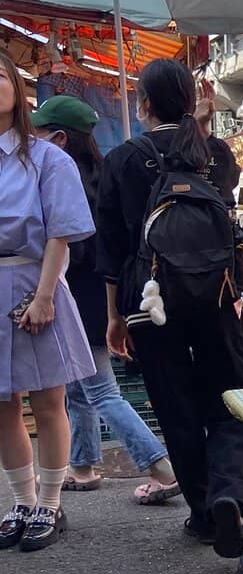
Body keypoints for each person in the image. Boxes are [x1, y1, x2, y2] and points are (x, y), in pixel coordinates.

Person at [97, 57, 243, 558]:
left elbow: (113, 249)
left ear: (142, 103)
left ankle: (204, 513)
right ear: (193, 100)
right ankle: (229, 490)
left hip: (150, 301)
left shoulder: (122, 159)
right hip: (215, 294)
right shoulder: (217, 154)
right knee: (230, 401)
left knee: (177, 407)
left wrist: (115, 317)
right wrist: (204, 126)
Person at [30, 96, 179, 504]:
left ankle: (161, 467)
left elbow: (71, 249)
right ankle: (83, 465)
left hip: (79, 298)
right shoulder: (103, 173)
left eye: (39, 131)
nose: (32, 137)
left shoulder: (60, 177)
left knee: (99, 390)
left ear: (59, 138)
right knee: (80, 387)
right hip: (100, 296)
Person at [0, 53, 97, 551]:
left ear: (17, 87)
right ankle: (21, 499)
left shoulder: (47, 158)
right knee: (2, 403)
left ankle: (51, 502)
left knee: (48, 398)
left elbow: (61, 233)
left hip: (34, 281)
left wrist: (43, 297)